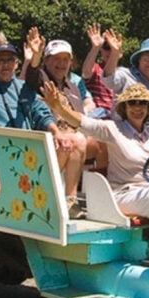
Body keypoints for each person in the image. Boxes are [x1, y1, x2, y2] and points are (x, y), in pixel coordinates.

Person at [0, 43, 84, 219]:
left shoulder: (23, 88)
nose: (6, 65)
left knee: (76, 141)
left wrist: (56, 132)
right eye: (0, 60)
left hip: (28, 152)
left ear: (17, 64)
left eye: (10, 60)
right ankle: (42, 200)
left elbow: (41, 114)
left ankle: (69, 201)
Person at [42, 81, 149, 220]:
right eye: (132, 103)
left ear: (148, 108)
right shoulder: (112, 129)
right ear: (124, 107)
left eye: (142, 103)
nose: (137, 107)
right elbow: (83, 122)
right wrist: (60, 108)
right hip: (125, 194)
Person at [23, 28, 93, 201]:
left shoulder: (73, 87)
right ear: (46, 61)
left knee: (106, 143)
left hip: (73, 136)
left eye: (65, 59)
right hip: (47, 137)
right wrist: (35, 55)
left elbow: (79, 117)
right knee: (77, 141)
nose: (61, 63)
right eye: (56, 59)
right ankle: (69, 198)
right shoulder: (40, 78)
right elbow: (31, 72)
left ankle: (104, 197)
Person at [102, 33, 149, 132]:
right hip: (124, 130)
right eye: (146, 59)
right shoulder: (125, 75)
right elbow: (108, 81)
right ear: (139, 60)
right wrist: (115, 54)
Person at [81, 23, 115, 112]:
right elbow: (86, 72)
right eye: (106, 47)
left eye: (113, 48)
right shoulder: (96, 69)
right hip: (99, 117)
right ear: (101, 50)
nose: (110, 51)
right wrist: (96, 47)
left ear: (121, 53)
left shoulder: (125, 75)